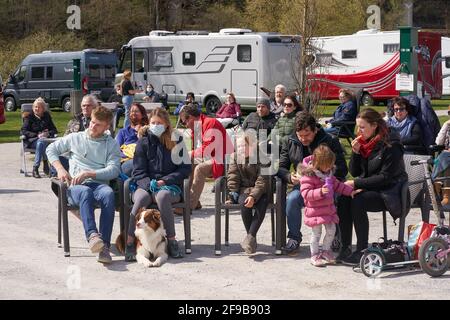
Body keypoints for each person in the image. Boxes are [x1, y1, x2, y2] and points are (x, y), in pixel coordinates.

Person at [46, 106, 121, 264]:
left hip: (98, 185)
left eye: (98, 124)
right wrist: (60, 169)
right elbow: (51, 149)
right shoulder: (75, 137)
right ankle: (93, 236)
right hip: (75, 186)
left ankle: (104, 247)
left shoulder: (111, 144)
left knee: (108, 193)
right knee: (85, 192)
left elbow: (114, 169)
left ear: (107, 126)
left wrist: (89, 173)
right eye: (92, 122)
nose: (93, 126)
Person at [337, 108, 407, 265]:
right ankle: (345, 247)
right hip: (373, 188)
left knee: (358, 200)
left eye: (362, 127)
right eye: (358, 127)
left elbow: (385, 178)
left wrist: (357, 184)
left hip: (390, 192)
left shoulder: (391, 144)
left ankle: (362, 250)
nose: (358, 131)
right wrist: (355, 152)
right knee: (344, 197)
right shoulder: (365, 143)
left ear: (374, 125)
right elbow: (355, 172)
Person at [125, 107, 191, 261]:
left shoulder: (177, 140)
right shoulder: (143, 142)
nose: (155, 125)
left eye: (159, 123)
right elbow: (138, 171)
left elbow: (185, 168)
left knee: (162, 197)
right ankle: (130, 241)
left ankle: (172, 241)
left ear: (167, 124)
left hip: (170, 186)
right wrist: (149, 185)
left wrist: (164, 181)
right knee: (140, 199)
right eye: (153, 122)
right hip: (145, 184)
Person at [277, 111, 348, 255]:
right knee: (292, 199)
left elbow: (342, 168)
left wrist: (325, 175)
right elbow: (281, 167)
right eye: (300, 135)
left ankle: (334, 236)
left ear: (315, 129)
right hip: (306, 187)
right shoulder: (290, 141)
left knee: (336, 198)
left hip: (326, 186)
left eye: (307, 134)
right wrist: (289, 176)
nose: (303, 139)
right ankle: (294, 238)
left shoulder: (329, 140)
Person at [298, 145, 354, 266]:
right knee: (316, 233)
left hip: (328, 210)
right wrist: (320, 192)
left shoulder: (329, 175)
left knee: (331, 230)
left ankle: (326, 251)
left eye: (331, 164)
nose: (329, 167)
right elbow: (306, 194)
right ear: (318, 163)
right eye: (327, 165)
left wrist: (350, 191)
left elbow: (338, 186)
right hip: (315, 212)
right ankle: (314, 254)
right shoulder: (308, 176)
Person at [179, 104, 233, 211]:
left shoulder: (210, 123)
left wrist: (191, 153)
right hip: (212, 157)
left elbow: (207, 148)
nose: (185, 125)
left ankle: (189, 205)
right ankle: (191, 200)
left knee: (199, 169)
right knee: (187, 163)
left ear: (191, 117)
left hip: (223, 159)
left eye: (184, 122)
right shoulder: (197, 127)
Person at [226, 134, 269, 254]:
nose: (241, 149)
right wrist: (233, 192)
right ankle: (251, 239)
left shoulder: (262, 157)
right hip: (244, 190)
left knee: (262, 202)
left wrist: (253, 196)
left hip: (261, 190)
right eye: (238, 146)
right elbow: (233, 176)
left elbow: (262, 180)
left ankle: (250, 237)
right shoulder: (235, 157)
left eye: (244, 146)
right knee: (244, 203)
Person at [20, 97, 57, 178]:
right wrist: (37, 135)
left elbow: (54, 130)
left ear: (43, 109)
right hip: (32, 141)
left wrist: (47, 133)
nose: (36, 109)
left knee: (42, 142)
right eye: (35, 107)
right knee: (41, 142)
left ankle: (36, 168)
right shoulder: (29, 117)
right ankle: (41, 165)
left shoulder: (47, 116)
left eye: (39, 107)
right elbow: (23, 131)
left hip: (45, 140)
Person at [115, 103, 149, 176]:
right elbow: (116, 149)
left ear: (142, 115)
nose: (133, 113)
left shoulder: (148, 130)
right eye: (131, 111)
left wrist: (141, 133)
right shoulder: (123, 132)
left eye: (136, 111)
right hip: (128, 160)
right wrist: (128, 155)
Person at [432, 105, 450, 205]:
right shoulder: (448, 126)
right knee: (442, 159)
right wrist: (445, 125)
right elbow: (438, 142)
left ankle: (438, 190)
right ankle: (443, 194)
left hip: (446, 156)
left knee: (443, 158)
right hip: (446, 155)